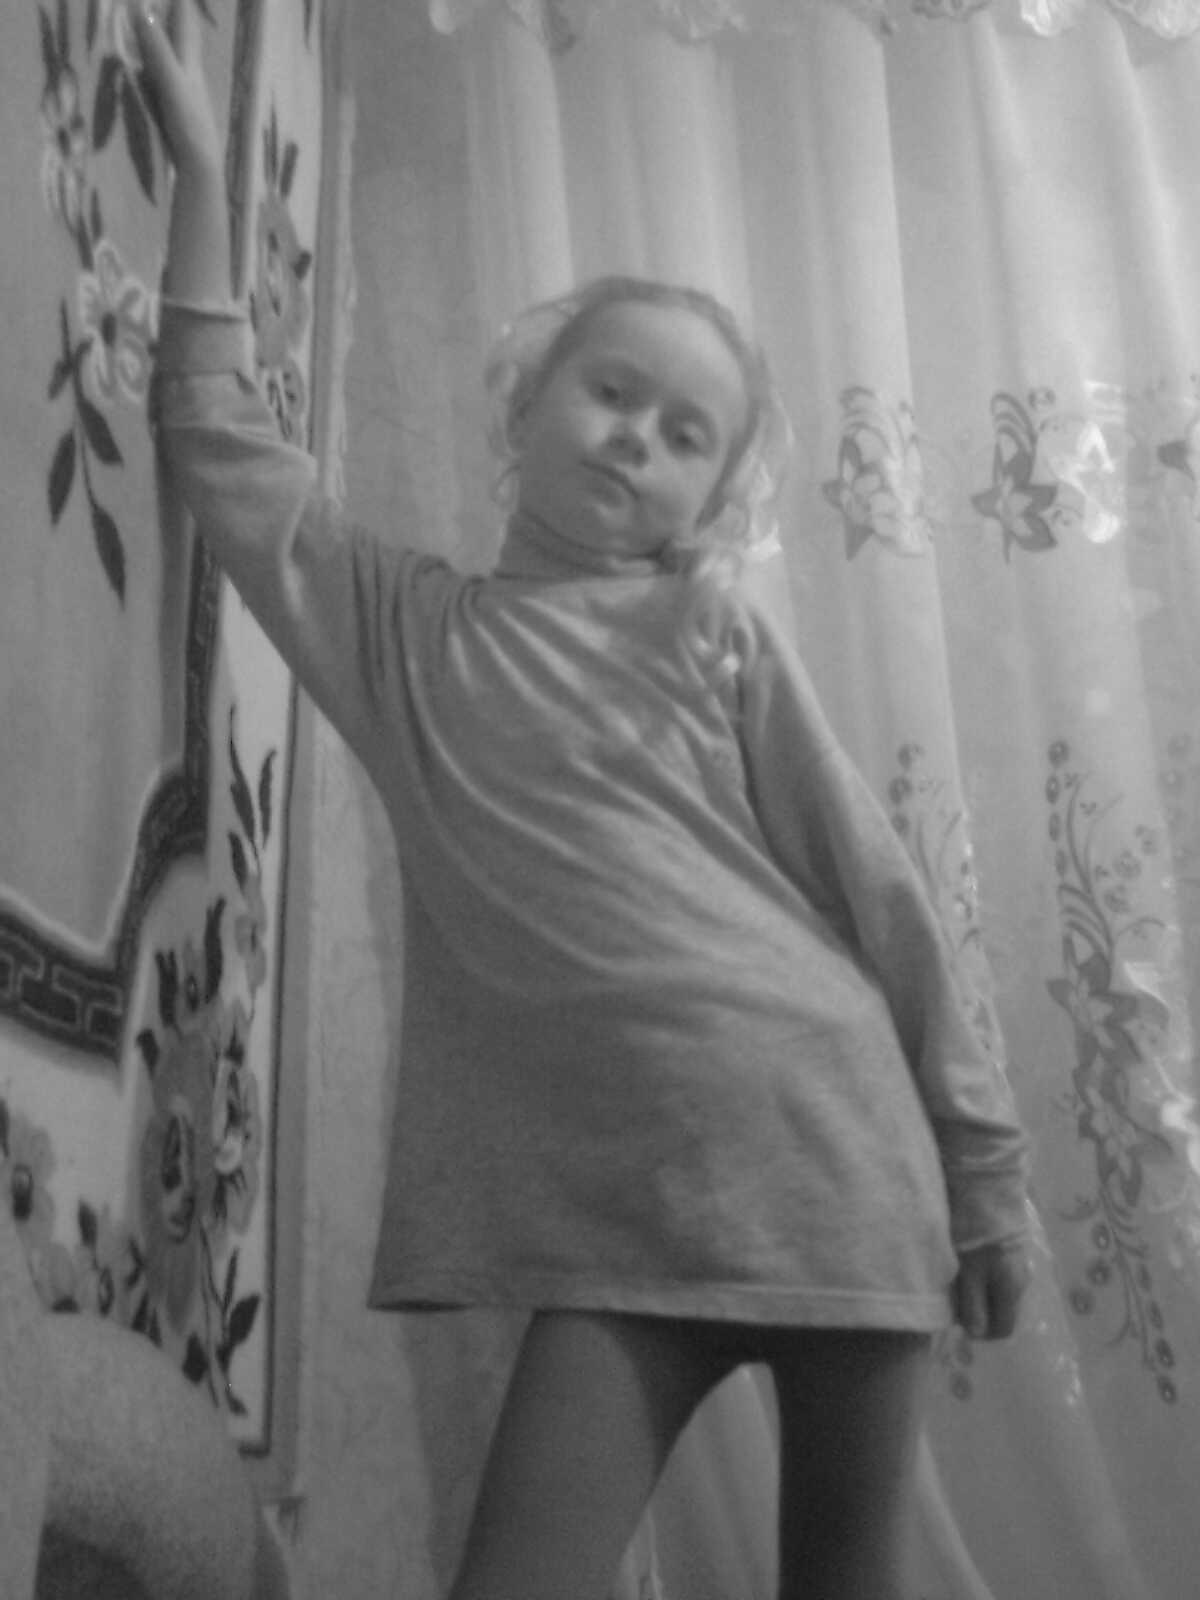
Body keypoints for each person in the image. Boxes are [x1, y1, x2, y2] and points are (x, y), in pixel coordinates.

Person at [135, 5, 1033, 1598]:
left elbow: (878, 894)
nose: (638, 442)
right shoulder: (401, 635)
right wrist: (204, 174)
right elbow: (219, 441)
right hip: (609, 1219)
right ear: (525, 399)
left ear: (712, 499)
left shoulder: (708, 628)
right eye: (614, 392)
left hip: (832, 1158)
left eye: (688, 438)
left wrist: (987, 1182)